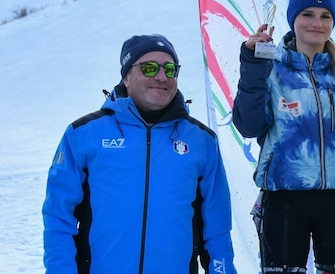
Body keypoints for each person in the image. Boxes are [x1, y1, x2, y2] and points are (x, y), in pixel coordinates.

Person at [43, 34, 238, 274]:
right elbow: (58, 219)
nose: (161, 76)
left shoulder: (201, 140)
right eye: (149, 68)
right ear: (126, 76)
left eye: (170, 69)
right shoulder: (83, 134)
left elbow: (217, 228)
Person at [232, 0, 335, 274]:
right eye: (307, 14)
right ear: (293, 18)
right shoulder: (270, 69)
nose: (316, 23)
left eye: (325, 16)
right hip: (283, 199)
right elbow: (249, 126)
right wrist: (252, 65)